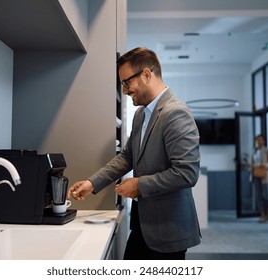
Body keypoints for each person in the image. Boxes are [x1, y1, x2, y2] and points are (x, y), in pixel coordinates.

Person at [67, 47, 201, 260]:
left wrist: (139, 184)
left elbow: (187, 173)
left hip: (167, 231)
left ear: (147, 75)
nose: (124, 90)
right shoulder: (141, 115)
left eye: (126, 82)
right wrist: (92, 183)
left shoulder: (176, 113)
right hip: (143, 225)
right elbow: (127, 156)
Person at [251, 134, 268, 223]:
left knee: (266, 195)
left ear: (263, 141)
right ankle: (262, 214)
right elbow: (253, 162)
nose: (258, 142)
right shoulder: (255, 151)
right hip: (256, 174)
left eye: (260, 140)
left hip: (265, 175)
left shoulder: (267, 151)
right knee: (259, 196)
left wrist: (266, 165)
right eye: (257, 140)